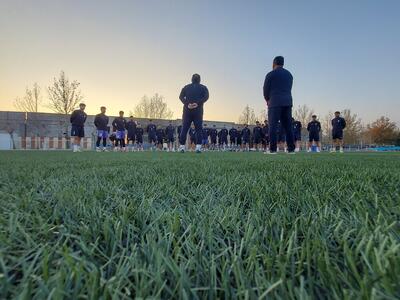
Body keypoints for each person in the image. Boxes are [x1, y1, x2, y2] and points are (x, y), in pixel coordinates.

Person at [263, 56, 295, 154]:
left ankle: (272, 149)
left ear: (274, 63)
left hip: (274, 102)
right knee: (288, 126)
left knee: (272, 126)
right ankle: (291, 149)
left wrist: (267, 99)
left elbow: (265, 89)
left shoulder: (270, 74)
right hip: (287, 102)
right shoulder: (289, 75)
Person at [178, 73, 209, 153]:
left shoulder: (186, 87)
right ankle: (198, 148)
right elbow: (206, 97)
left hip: (187, 111)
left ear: (191, 79)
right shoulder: (203, 88)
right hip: (198, 111)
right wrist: (197, 103)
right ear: (199, 80)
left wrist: (187, 103)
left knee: (184, 128)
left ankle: (182, 147)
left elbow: (180, 97)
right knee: (199, 129)